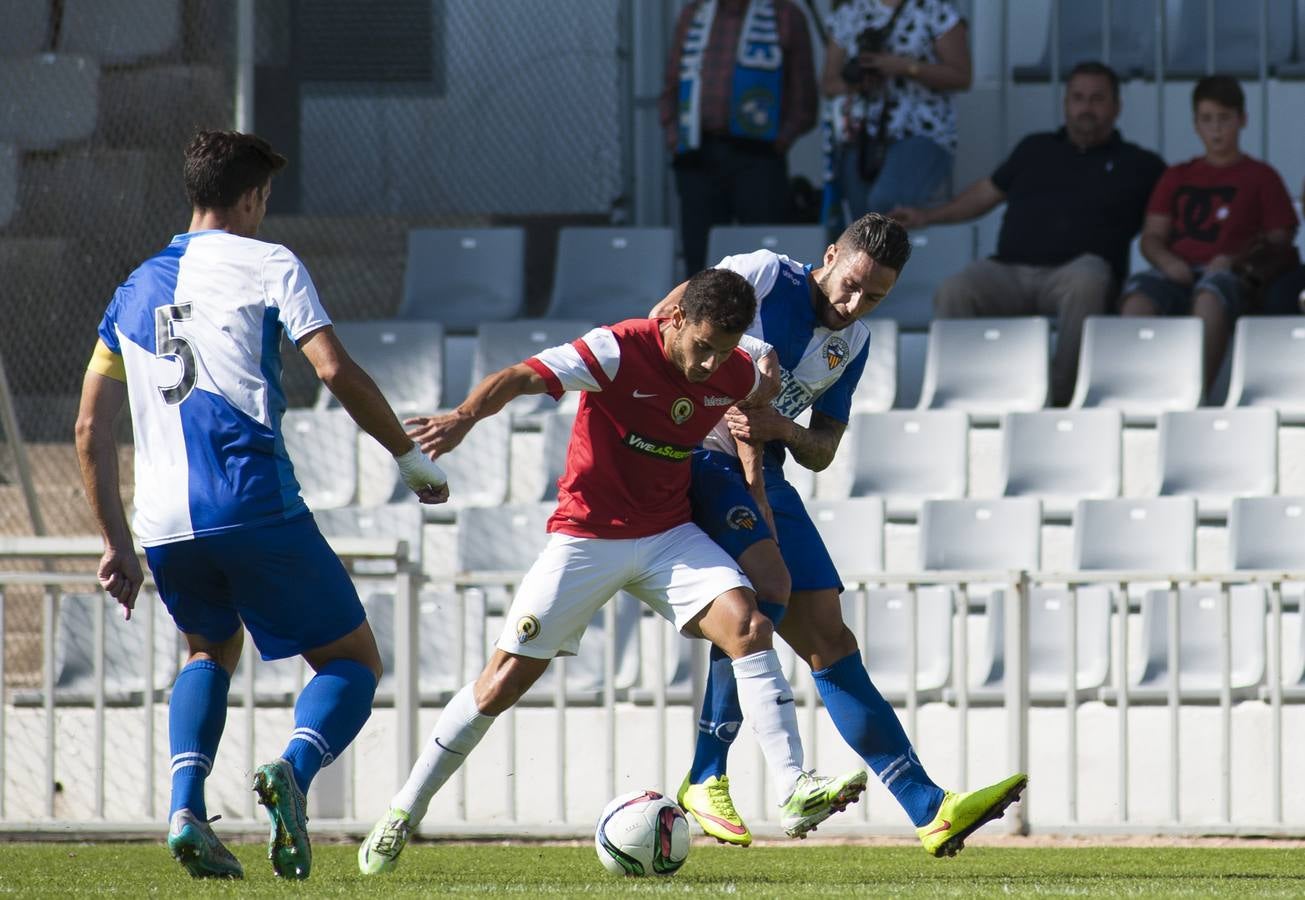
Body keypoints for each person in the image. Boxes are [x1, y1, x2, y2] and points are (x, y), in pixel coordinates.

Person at [357, 269, 868, 875]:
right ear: (675, 319)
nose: (708, 365)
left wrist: (759, 503)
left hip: (667, 535)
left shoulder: (738, 368)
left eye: (723, 352)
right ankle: (401, 813)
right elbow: (521, 375)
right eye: (702, 347)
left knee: (751, 624)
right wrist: (466, 416)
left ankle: (792, 786)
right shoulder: (616, 349)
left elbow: (751, 418)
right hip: (587, 537)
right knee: (500, 682)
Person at [73, 130, 450, 881]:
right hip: (250, 502)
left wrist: (115, 542)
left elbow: (89, 426)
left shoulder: (134, 286)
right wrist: (408, 460)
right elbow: (333, 368)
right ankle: (293, 772)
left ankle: (185, 811)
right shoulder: (271, 262)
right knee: (351, 662)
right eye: (265, 200)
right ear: (250, 197)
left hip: (165, 523)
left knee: (208, 651)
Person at [655, 213, 1027, 857]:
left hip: (763, 470)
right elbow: (666, 316)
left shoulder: (852, 344)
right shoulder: (765, 274)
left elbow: (823, 447)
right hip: (697, 456)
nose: (854, 304)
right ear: (830, 256)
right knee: (764, 600)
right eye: (850, 284)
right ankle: (707, 774)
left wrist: (782, 430)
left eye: (875, 296)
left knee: (829, 633)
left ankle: (929, 808)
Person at [893, 61, 1166, 406]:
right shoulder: (1034, 148)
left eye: (1097, 99)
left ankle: (1062, 402)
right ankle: (962, 395)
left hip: (1075, 274)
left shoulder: (1141, 165)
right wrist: (926, 215)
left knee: (1088, 280)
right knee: (956, 289)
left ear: (1116, 106)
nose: (1086, 108)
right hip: (1008, 271)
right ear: (1065, 103)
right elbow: (983, 195)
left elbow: (1167, 221)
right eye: (1078, 98)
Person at [1120, 76, 1299, 385]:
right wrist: (1168, 263)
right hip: (1176, 272)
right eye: (1207, 119)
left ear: (1242, 120)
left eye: (1224, 119)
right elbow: (1151, 236)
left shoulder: (1262, 176)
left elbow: (1280, 240)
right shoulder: (1177, 175)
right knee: (1138, 299)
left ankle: (1193, 393)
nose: (1216, 129)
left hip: (1231, 275)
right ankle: (1136, 392)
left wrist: (1235, 260)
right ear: (1195, 123)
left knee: (1209, 296)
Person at [659, 0, 819, 276]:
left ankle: (768, 318)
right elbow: (672, 82)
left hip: (758, 157)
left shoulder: (785, 15)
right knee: (700, 257)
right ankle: (701, 319)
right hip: (698, 155)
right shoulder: (695, 13)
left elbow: (804, 98)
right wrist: (674, 133)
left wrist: (780, 140)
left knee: (766, 256)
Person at [822, 0, 972, 222]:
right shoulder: (850, 12)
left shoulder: (935, 9)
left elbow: (962, 76)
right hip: (862, 136)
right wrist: (859, 82)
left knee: (886, 205)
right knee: (860, 222)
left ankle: (897, 255)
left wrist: (906, 67)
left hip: (921, 132)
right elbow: (828, 84)